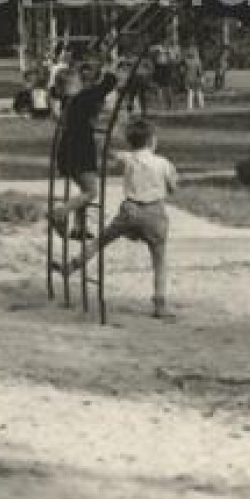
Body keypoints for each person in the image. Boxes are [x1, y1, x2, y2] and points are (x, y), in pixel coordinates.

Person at [53, 118, 179, 319]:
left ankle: (73, 265)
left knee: (101, 240)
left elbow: (107, 152)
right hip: (154, 212)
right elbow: (173, 188)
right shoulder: (164, 163)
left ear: (131, 142)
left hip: (129, 210)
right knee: (159, 258)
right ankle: (159, 303)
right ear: (152, 141)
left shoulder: (127, 158)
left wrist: (100, 142)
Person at [50, 68, 120, 241]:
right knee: (90, 192)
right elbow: (106, 85)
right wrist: (110, 72)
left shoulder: (68, 101)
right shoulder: (82, 99)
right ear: (75, 84)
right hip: (80, 151)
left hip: (67, 151)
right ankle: (60, 213)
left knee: (84, 190)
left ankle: (79, 228)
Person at [182, 45, 207, 111]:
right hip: (196, 78)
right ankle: (201, 105)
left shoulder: (186, 61)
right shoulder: (197, 61)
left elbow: (183, 70)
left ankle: (190, 106)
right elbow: (200, 71)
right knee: (198, 92)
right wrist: (202, 77)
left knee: (190, 92)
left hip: (189, 77)